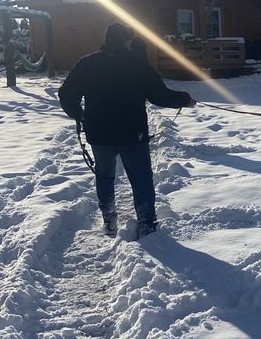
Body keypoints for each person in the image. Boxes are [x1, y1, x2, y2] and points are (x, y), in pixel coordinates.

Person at [58, 22, 196, 237]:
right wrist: (185, 100)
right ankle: (147, 222)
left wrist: (80, 116)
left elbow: (66, 94)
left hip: (99, 133)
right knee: (141, 177)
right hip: (133, 133)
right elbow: (159, 95)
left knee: (104, 176)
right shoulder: (137, 64)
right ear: (126, 40)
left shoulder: (87, 64)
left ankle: (109, 219)